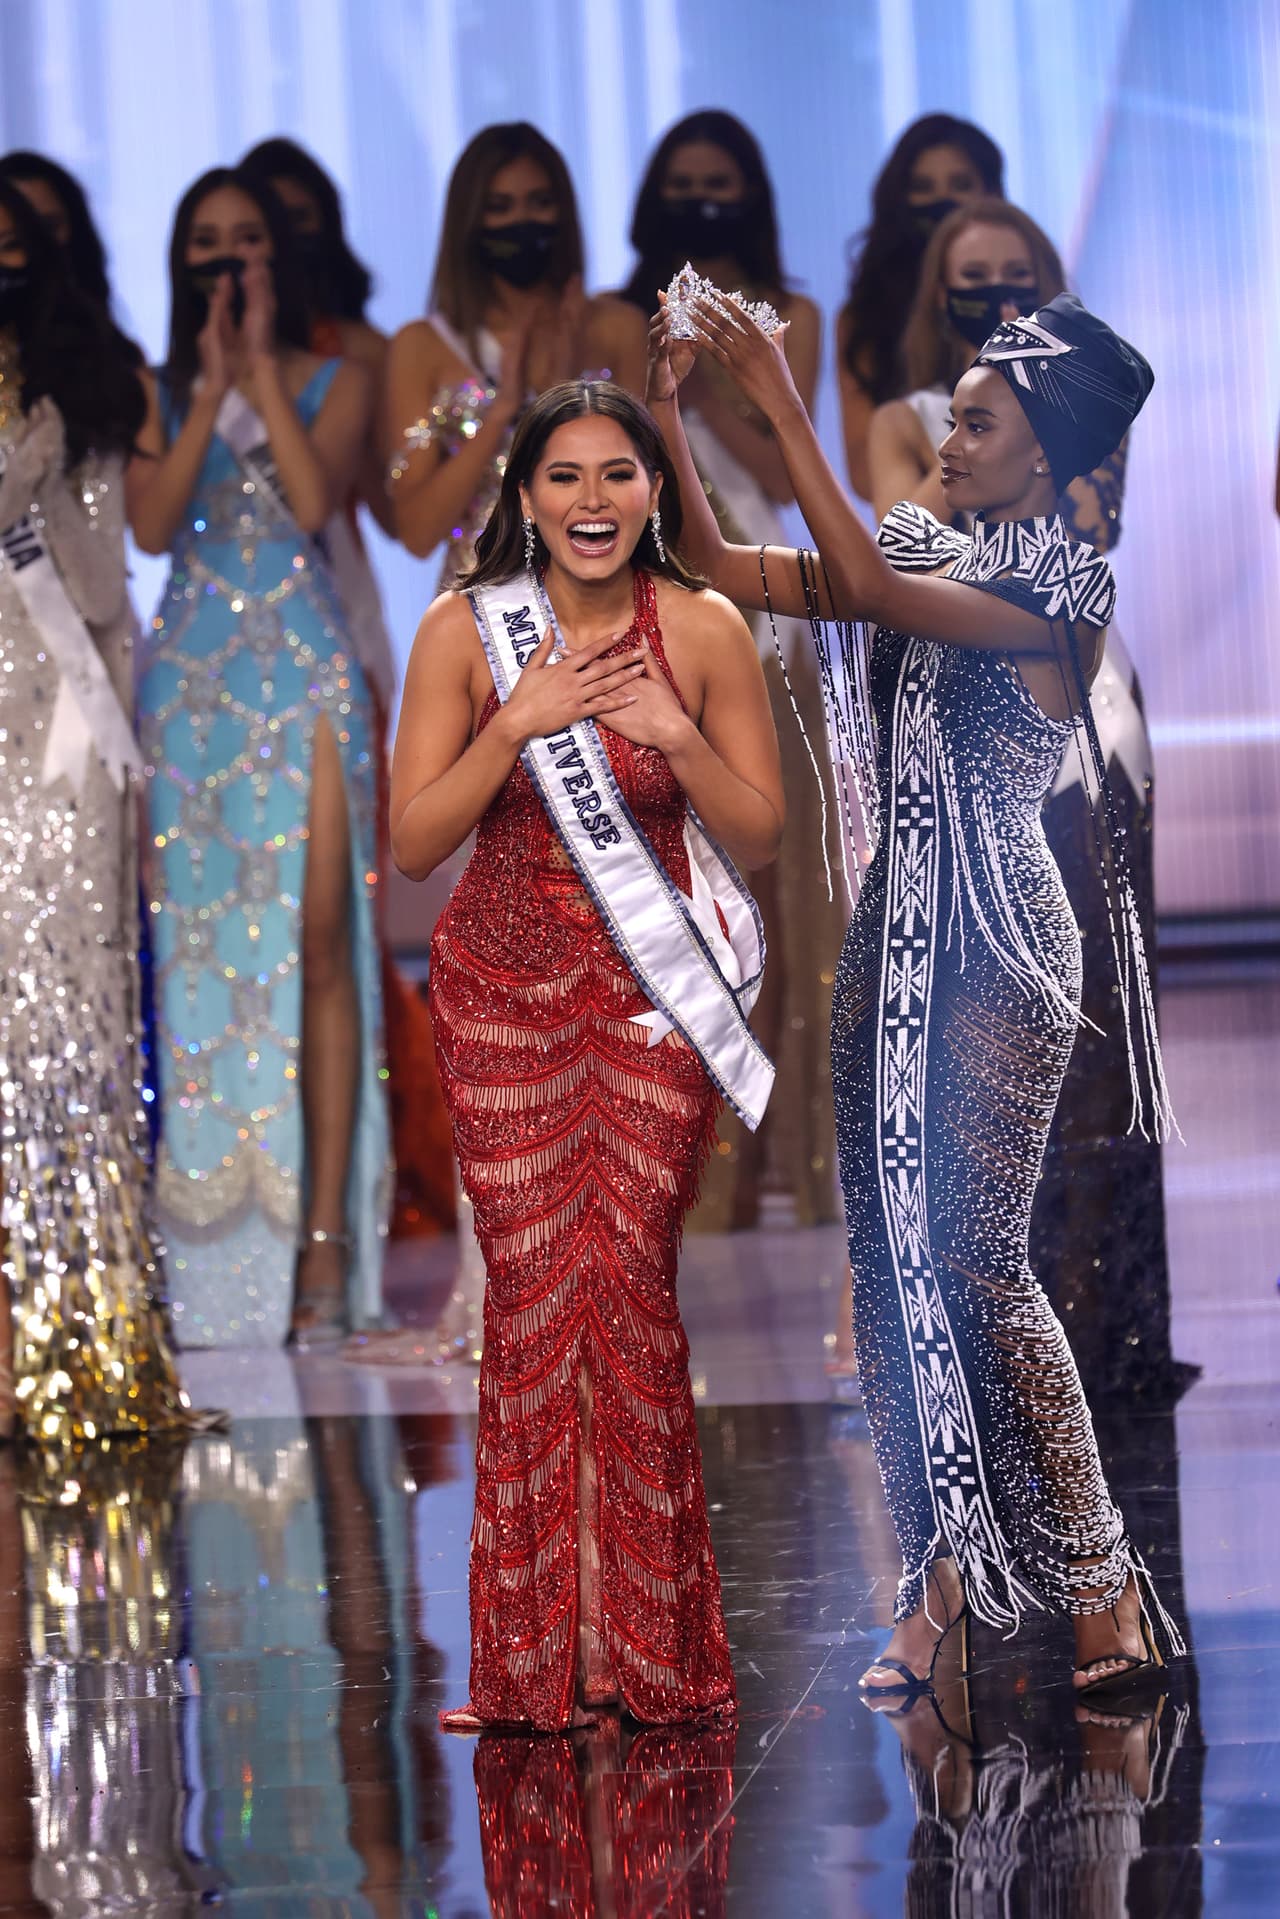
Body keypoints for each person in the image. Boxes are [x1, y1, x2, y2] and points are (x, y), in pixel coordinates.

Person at [647, 286, 1184, 1700]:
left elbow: (878, 595)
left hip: (1000, 941)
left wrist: (774, 382)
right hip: (894, 942)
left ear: (1045, 460)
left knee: (983, 1267)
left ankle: (1101, 1579)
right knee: (887, 1278)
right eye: (955, 409)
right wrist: (667, 404)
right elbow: (714, 558)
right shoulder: (914, 539)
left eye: (984, 420)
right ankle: (938, 1582)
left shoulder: (1066, 587)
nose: (954, 433)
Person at [392, 379, 783, 1729]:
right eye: (565, 477)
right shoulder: (463, 630)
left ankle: (649, 1653)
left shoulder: (708, 629)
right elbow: (413, 840)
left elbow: (765, 831)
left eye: (620, 474)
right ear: (524, 495)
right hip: (502, 995)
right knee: (537, 1302)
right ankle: (529, 1663)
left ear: (657, 492)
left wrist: (673, 730)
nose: (594, 502)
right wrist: (517, 718)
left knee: (627, 1292)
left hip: (649, 1006)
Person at [867, 199, 1178, 1399]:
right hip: (963, 739)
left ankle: (1104, 1334)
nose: (992, 297)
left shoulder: (1087, 415)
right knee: (985, 1055)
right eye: (967, 279)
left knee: (1097, 1039)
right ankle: (993, 1347)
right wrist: (976, 453)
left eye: (1014, 278)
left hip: (1087, 735)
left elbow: (1078, 532)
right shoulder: (911, 422)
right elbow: (895, 546)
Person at [128, 166, 390, 1348]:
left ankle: (323, 1242)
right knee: (207, 961)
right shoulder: (147, 386)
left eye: (246, 241)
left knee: (321, 942)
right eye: (205, 243)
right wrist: (208, 386)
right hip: (194, 689)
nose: (225, 261)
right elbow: (148, 523)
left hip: (306, 673)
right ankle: (225, 1257)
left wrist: (268, 368)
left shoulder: (347, 373)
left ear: (278, 259)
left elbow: (305, 493)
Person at [0, 180, 199, 1442]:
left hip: (71, 722)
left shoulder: (98, 375)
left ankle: (91, 1345)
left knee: (72, 1009)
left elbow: (115, 538)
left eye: (23, 242)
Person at [619, 110, 841, 1233]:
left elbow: (800, 467)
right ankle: (692, 1173)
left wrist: (719, 380)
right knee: (676, 890)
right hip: (661, 619)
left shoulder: (792, 316)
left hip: (773, 622)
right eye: (681, 186)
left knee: (777, 891)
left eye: (720, 185)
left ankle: (781, 1160)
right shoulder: (615, 318)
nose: (700, 203)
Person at [240, 136, 457, 1246]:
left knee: (342, 927)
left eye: (297, 215)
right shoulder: (211, 356)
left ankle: (386, 1161)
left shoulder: (365, 351)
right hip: (225, 652)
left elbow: (387, 496)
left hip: (333, 619)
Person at [385, 121, 647, 586]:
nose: (521, 222)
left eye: (539, 204)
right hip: (480, 612)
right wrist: (505, 408)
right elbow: (419, 532)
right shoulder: (422, 346)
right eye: (499, 207)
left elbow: (644, 502)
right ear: (469, 221)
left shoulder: (617, 329)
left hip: (600, 594)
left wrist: (564, 395)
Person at [837, 114, 1003, 502]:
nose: (942, 202)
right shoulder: (866, 317)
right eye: (922, 187)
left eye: (961, 185)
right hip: (919, 529)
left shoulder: (1031, 302)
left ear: (992, 194)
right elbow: (864, 477)